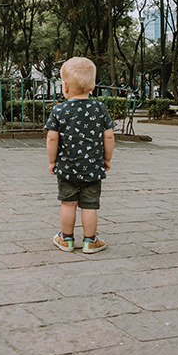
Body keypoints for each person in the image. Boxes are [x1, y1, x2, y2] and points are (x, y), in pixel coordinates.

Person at [45, 57, 114, 254]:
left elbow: (52, 138)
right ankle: (90, 241)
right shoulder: (99, 108)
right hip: (92, 168)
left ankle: (66, 239)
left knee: (68, 204)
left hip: (66, 168)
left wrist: (52, 161)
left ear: (65, 86)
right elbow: (109, 136)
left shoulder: (59, 109)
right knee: (89, 206)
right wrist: (107, 158)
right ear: (92, 86)